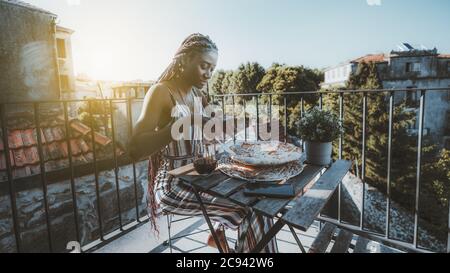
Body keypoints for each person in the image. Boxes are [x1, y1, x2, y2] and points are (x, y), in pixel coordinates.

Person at [128, 33, 277, 253]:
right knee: (250, 211)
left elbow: (213, 125)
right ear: (185, 60)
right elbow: (135, 149)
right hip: (174, 183)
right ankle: (225, 238)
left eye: (212, 69)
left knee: (258, 200)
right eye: (203, 66)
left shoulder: (198, 93)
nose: (208, 74)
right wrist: (178, 127)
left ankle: (220, 236)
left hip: (203, 177)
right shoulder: (160, 92)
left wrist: (241, 122)